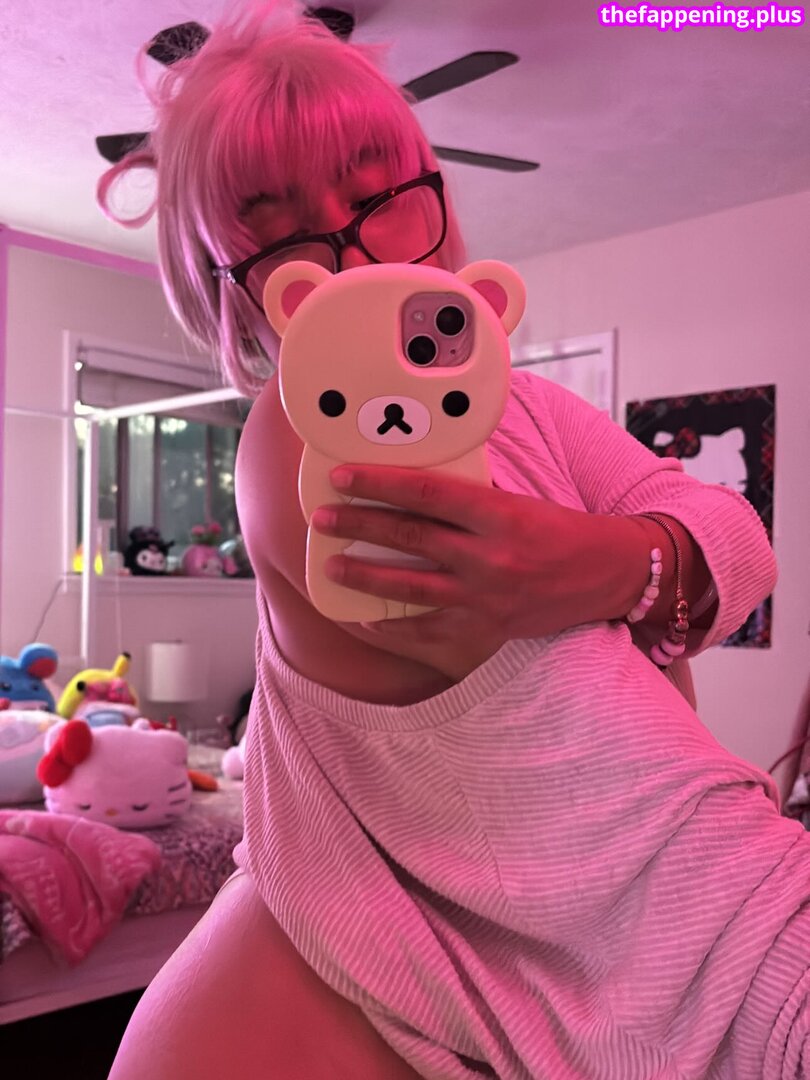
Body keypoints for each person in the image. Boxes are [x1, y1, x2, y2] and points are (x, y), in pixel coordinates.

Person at [102, 5, 802, 1079]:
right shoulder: (291, 435)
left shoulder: (536, 409)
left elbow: (742, 546)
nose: (349, 253)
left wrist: (615, 566)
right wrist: (651, 586)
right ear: (237, 288)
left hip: (735, 916)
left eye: (376, 197)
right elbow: (462, 624)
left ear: (430, 197)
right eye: (279, 227)